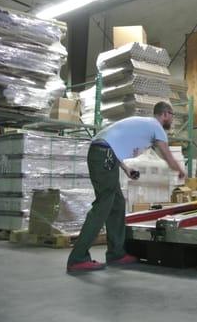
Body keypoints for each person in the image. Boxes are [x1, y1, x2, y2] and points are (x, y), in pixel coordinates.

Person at [66, 101, 186, 273]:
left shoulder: (143, 126)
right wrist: (180, 171)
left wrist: (127, 169)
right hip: (104, 154)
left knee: (117, 204)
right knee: (103, 205)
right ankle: (77, 258)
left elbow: (112, 145)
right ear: (165, 114)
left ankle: (116, 253)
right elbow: (166, 154)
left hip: (104, 153)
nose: (172, 120)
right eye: (172, 116)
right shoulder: (156, 126)